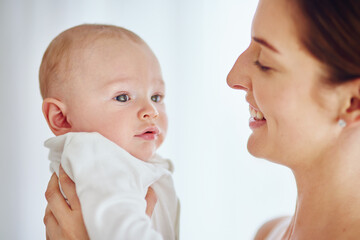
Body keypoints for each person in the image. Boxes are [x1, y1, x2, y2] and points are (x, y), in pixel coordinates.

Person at [44, 0, 360, 239]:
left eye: (264, 62)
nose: (233, 76)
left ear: (352, 102)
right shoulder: (268, 233)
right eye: (123, 97)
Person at [40, 24, 180, 240]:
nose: (151, 111)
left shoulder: (113, 163)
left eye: (156, 97)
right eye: (122, 97)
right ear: (62, 117)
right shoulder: (98, 158)